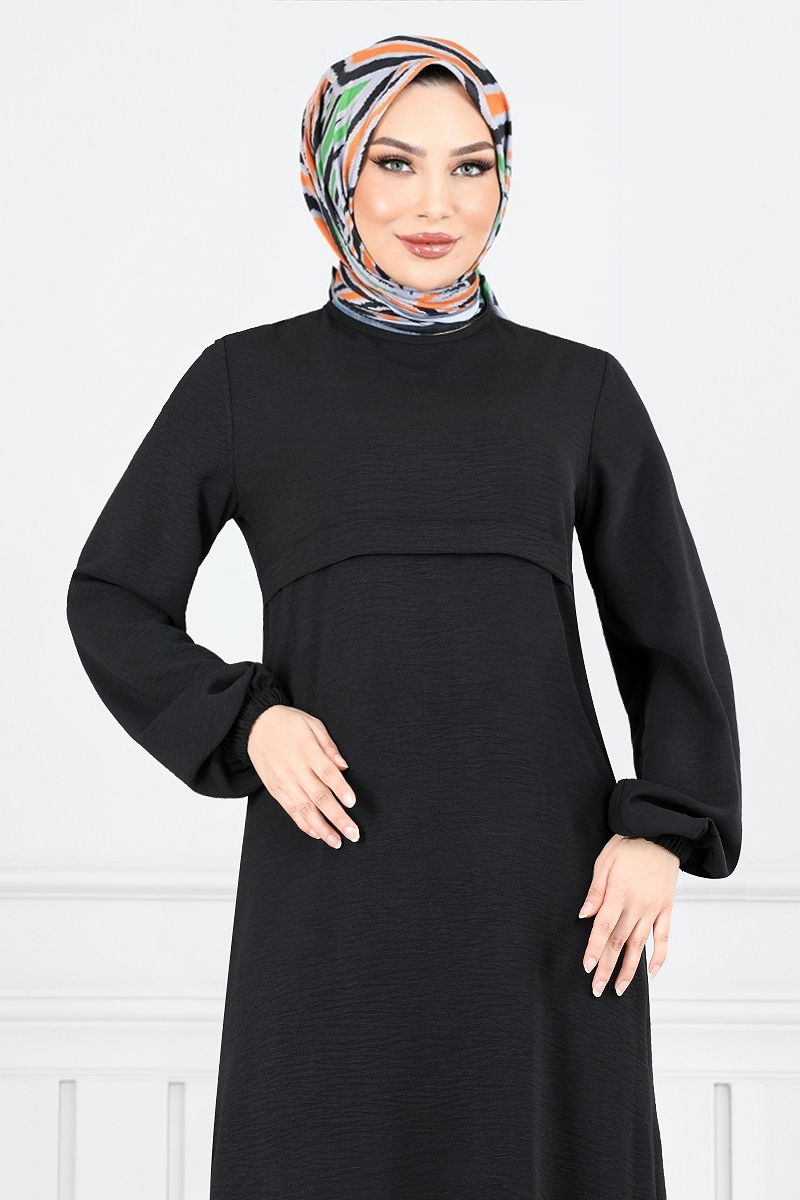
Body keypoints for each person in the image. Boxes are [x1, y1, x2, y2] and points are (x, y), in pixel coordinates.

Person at [65, 33, 742, 1200]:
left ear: (501, 179)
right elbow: (112, 595)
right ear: (332, 174)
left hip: (544, 901)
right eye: (394, 162)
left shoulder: (576, 390)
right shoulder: (245, 384)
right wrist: (247, 720)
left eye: (469, 166)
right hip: (332, 893)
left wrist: (661, 831)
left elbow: (667, 633)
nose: (436, 204)